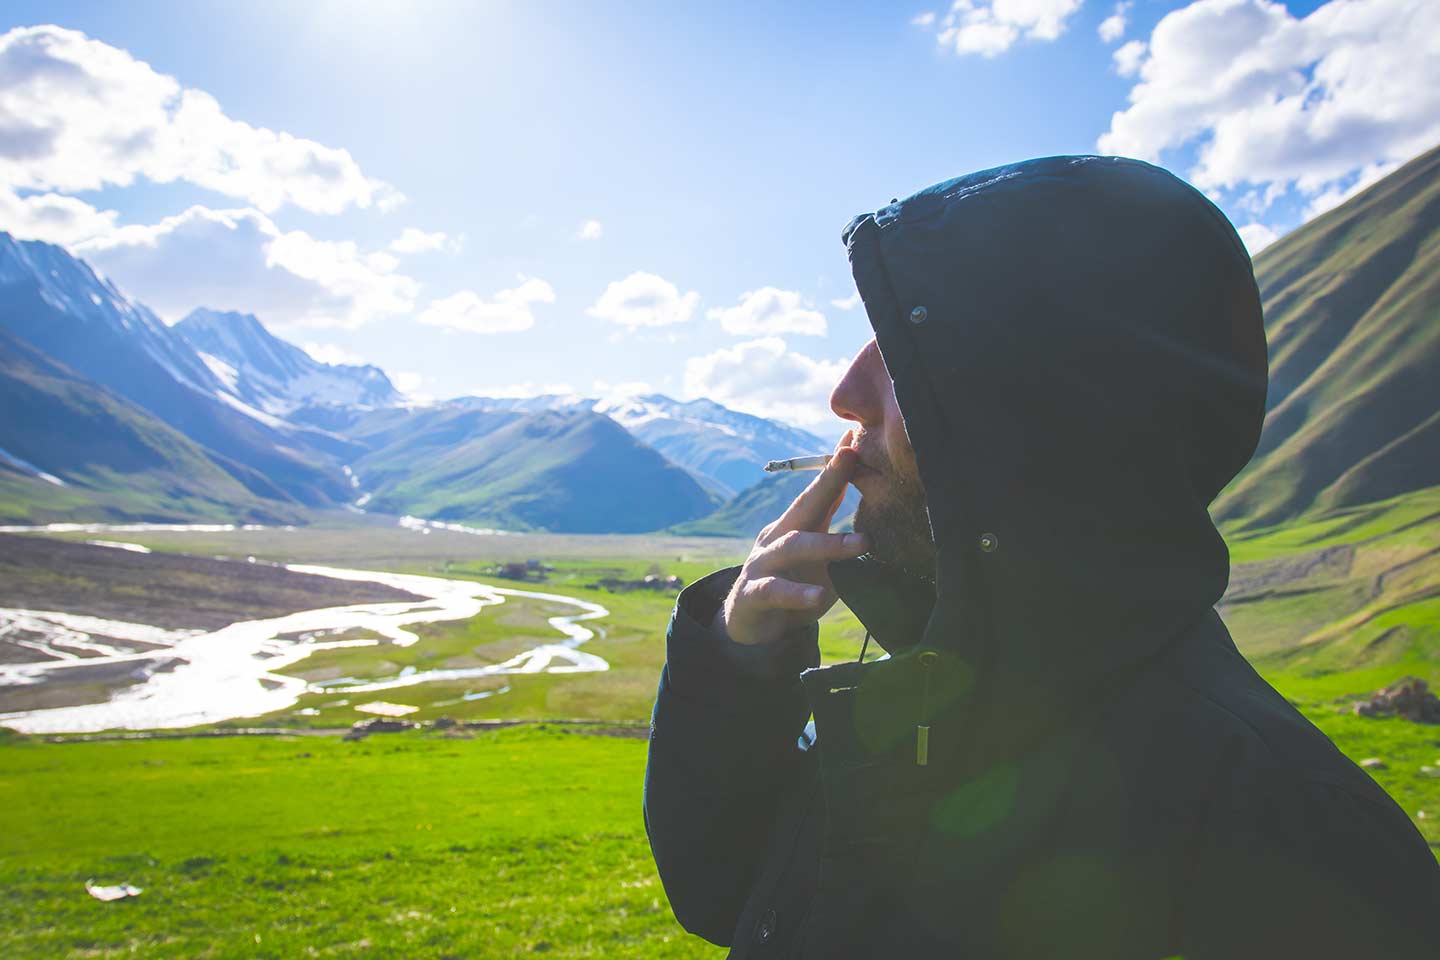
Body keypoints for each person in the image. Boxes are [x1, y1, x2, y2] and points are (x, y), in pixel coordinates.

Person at [642, 155, 1440, 958]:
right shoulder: (932, 691)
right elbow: (729, 895)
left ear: (1038, 408)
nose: (845, 397)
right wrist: (741, 661)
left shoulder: (1298, 840)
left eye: (907, 357)